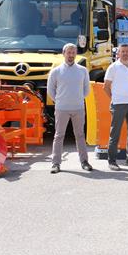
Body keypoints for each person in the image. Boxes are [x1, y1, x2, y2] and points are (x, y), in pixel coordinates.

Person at [47, 43, 92, 174]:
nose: (71, 55)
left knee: (80, 135)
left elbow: (86, 90)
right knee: (59, 135)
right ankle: (55, 163)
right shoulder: (56, 71)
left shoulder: (83, 71)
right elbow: (50, 90)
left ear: (76, 53)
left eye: (73, 52)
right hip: (61, 108)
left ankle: (84, 162)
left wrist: (77, 98)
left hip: (78, 108)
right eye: (69, 52)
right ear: (64, 53)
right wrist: (59, 100)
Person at [104, 43, 128, 170]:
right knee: (115, 134)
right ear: (118, 53)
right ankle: (112, 161)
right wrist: (114, 99)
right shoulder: (113, 67)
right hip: (118, 104)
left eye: (127, 51)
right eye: (122, 51)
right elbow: (106, 87)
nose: (125, 53)